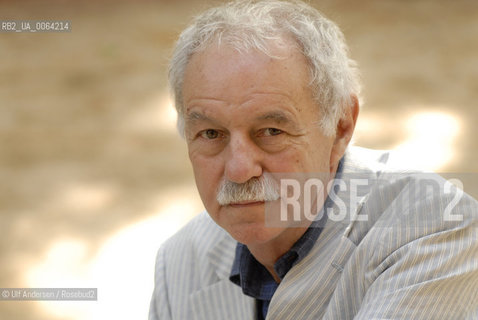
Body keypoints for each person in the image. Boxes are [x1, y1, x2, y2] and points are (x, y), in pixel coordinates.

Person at [149, 1, 478, 319]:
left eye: (271, 131)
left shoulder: (435, 229)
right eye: (211, 134)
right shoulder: (180, 262)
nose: (238, 170)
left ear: (340, 127)